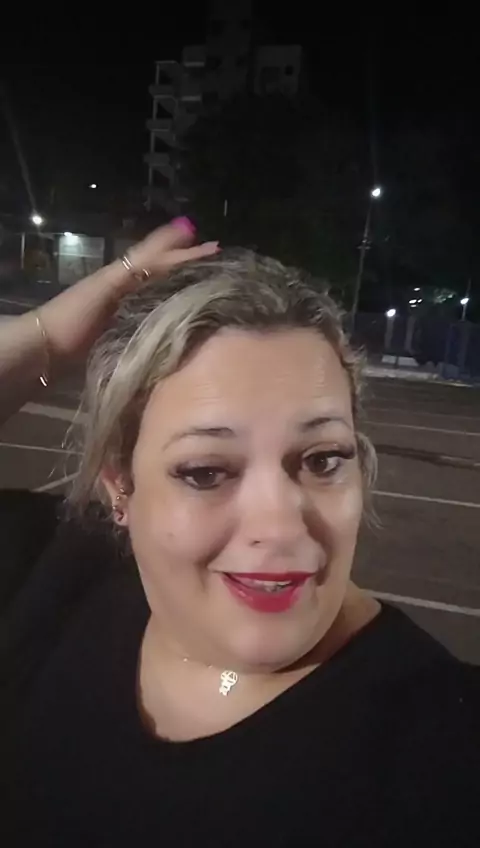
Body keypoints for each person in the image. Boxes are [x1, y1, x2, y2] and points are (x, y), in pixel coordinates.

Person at [0, 218, 478, 847]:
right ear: (120, 486)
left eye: (322, 459)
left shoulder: (445, 747)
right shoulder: (48, 576)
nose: (280, 527)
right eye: (205, 471)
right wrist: (49, 337)